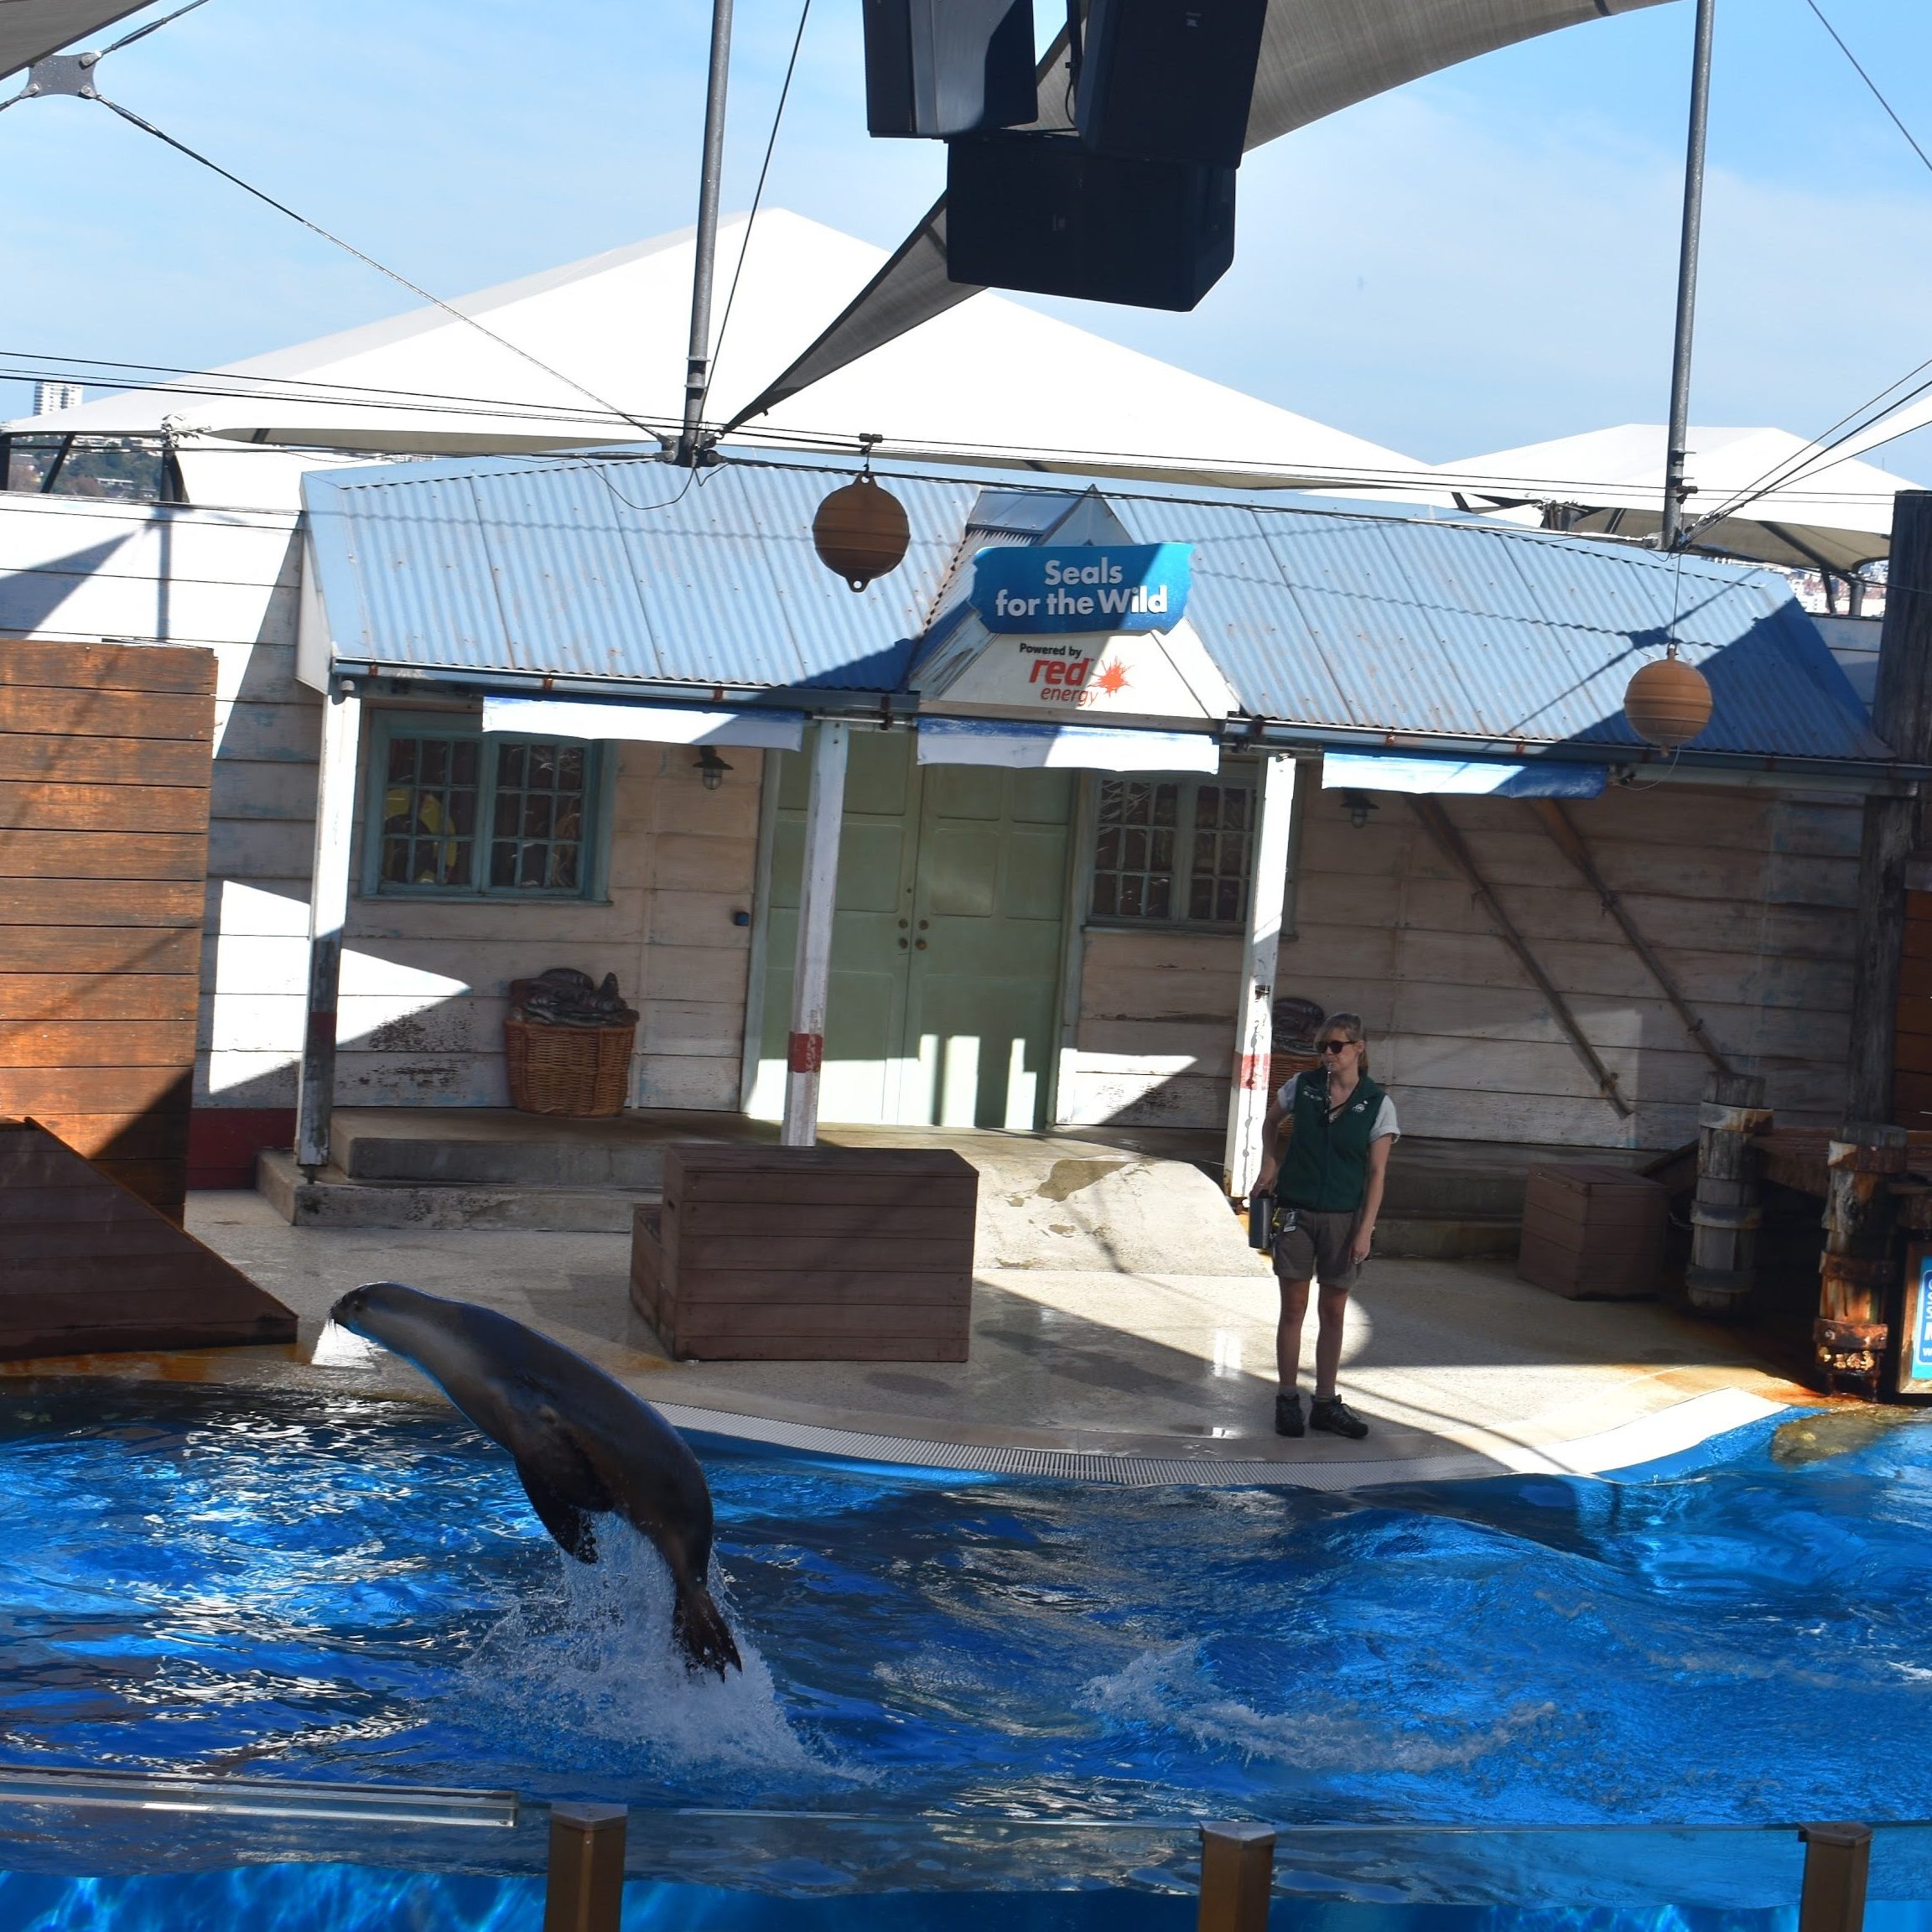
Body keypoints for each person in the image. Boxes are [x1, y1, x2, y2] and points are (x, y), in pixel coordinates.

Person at [1253, 1012, 1397, 1440]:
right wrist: (1271, 1162)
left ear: (1359, 1048)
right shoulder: (1303, 1087)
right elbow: (1270, 1121)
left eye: (1336, 1046)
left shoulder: (1377, 1104)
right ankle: (1286, 1399)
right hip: (1297, 1211)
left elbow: (1376, 1175)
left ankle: (1325, 1402)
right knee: (1293, 1308)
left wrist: (1365, 1230)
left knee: (1333, 1311)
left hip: (1343, 1217)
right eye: (1322, 1047)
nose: (1328, 1054)